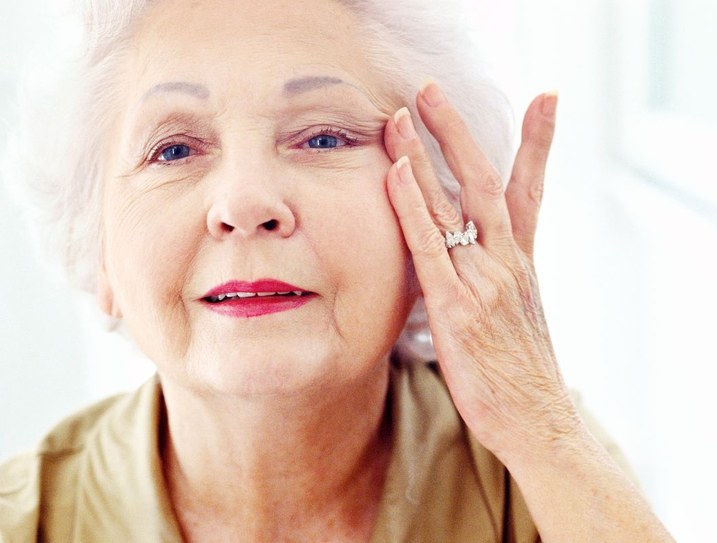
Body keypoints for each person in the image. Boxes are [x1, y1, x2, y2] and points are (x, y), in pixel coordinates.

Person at [0, 0, 675, 541]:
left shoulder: (540, 470)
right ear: (100, 249)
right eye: (173, 149)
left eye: (322, 137)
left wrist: (543, 429)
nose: (244, 203)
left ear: (432, 215)